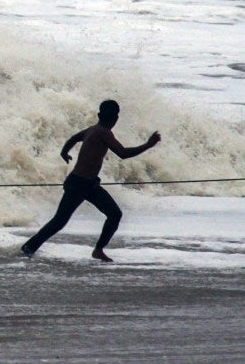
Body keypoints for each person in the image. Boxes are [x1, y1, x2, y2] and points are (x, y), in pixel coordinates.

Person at [21, 100, 160, 261]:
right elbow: (123, 153)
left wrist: (64, 152)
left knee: (113, 214)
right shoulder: (104, 133)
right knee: (60, 221)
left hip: (88, 184)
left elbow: (74, 138)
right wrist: (148, 145)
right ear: (116, 118)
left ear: (99, 115)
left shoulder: (92, 130)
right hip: (79, 184)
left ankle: (98, 250)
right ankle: (29, 247)